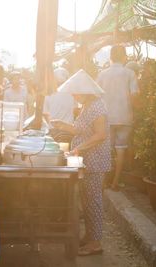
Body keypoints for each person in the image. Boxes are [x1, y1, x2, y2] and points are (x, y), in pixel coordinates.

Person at [51, 70, 111, 256]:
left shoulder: (97, 106)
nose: (73, 95)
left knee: (93, 202)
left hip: (95, 160)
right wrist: (61, 125)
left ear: (85, 91)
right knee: (86, 201)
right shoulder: (87, 106)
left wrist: (79, 148)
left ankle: (95, 243)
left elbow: (100, 135)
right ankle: (90, 237)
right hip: (86, 160)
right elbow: (80, 129)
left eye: (75, 92)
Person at [96, 45, 138, 191]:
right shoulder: (130, 73)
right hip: (125, 116)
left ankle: (103, 182)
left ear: (110, 57)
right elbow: (134, 95)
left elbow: (97, 97)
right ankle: (115, 182)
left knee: (105, 150)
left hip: (106, 117)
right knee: (121, 149)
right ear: (125, 57)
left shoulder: (102, 74)